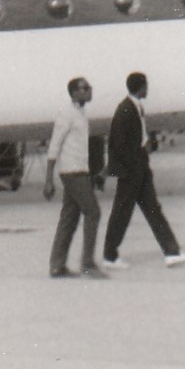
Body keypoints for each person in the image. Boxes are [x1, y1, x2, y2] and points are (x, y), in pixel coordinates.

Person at [102, 72, 185, 269]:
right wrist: (131, 166)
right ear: (141, 87)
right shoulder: (125, 109)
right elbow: (117, 142)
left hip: (140, 167)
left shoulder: (135, 107)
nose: (148, 89)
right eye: (146, 86)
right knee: (122, 212)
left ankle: (172, 252)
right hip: (132, 170)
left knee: (153, 210)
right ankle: (109, 256)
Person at [43, 77, 108, 279]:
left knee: (69, 218)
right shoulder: (67, 114)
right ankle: (87, 264)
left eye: (90, 87)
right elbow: (54, 145)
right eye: (85, 88)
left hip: (80, 170)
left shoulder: (81, 114)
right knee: (93, 212)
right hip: (71, 172)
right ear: (74, 92)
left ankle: (57, 265)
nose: (90, 91)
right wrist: (48, 179)